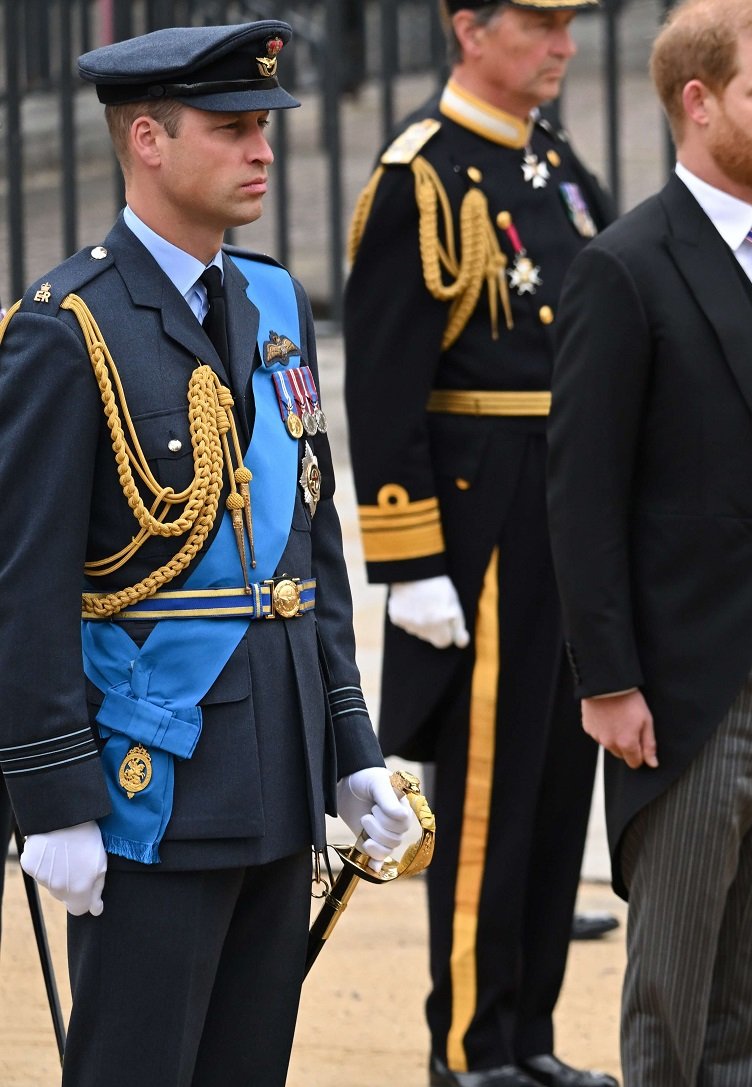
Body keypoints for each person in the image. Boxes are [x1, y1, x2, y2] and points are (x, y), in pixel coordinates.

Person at [0, 22, 416, 1086]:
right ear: (147, 137)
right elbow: (26, 583)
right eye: (231, 129)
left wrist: (351, 744)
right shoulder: (69, 327)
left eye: (265, 128)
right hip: (154, 786)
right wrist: (52, 801)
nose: (263, 152)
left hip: (279, 775)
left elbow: (304, 546)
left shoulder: (274, 299)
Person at [546, 0, 752, 1082]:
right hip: (691, 680)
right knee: (673, 987)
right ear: (698, 102)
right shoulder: (627, 266)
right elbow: (581, 493)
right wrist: (608, 678)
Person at [342, 3, 616, 1086]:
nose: (563, 44)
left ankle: (530, 1036)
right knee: (488, 799)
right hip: (483, 524)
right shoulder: (421, 174)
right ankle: (467, 1045)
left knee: (557, 788)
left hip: (566, 512)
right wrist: (409, 558)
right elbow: (382, 376)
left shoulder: (552, 161)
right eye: (539, 24)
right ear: (468, 29)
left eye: (567, 24)